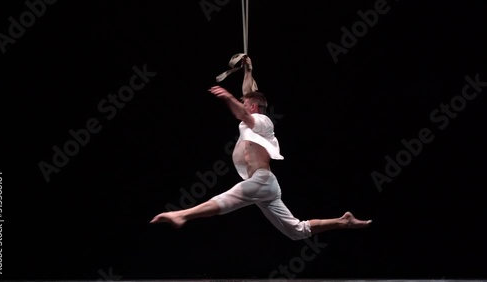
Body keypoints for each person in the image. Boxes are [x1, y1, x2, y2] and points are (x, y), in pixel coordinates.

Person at [150, 56, 371, 240]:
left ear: (254, 107)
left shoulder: (263, 121)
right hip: (266, 184)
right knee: (296, 232)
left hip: (262, 180)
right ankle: (343, 221)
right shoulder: (253, 118)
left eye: (245, 102)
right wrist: (248, 69)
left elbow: (244, 111)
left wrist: (227, 97)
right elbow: (249, 93)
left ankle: (182, 215)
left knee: (227, 199)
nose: (241, 101)